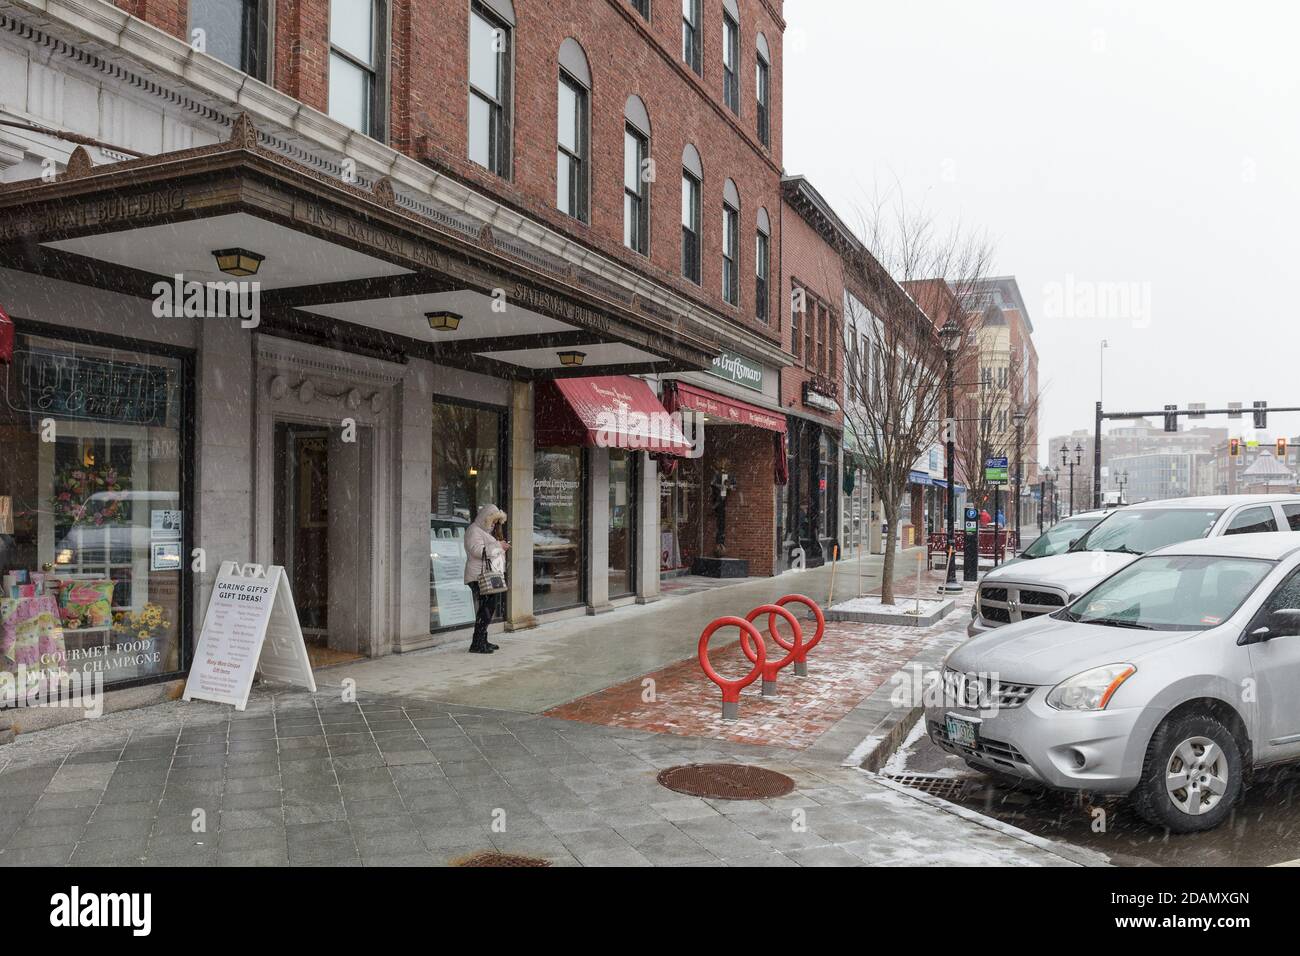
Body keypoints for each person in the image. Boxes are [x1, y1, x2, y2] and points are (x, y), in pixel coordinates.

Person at [463, 504, 509, 654]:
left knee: (488, 608)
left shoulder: (484, 531)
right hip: (478, 576)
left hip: (486, 575)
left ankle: (482, 639)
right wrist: (498, 545)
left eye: (497, 522)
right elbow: (477, 551)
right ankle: (477, 643)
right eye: (493, 521)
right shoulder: (474, 530)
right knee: (485, 609)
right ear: (486, 519)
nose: (495, 524)